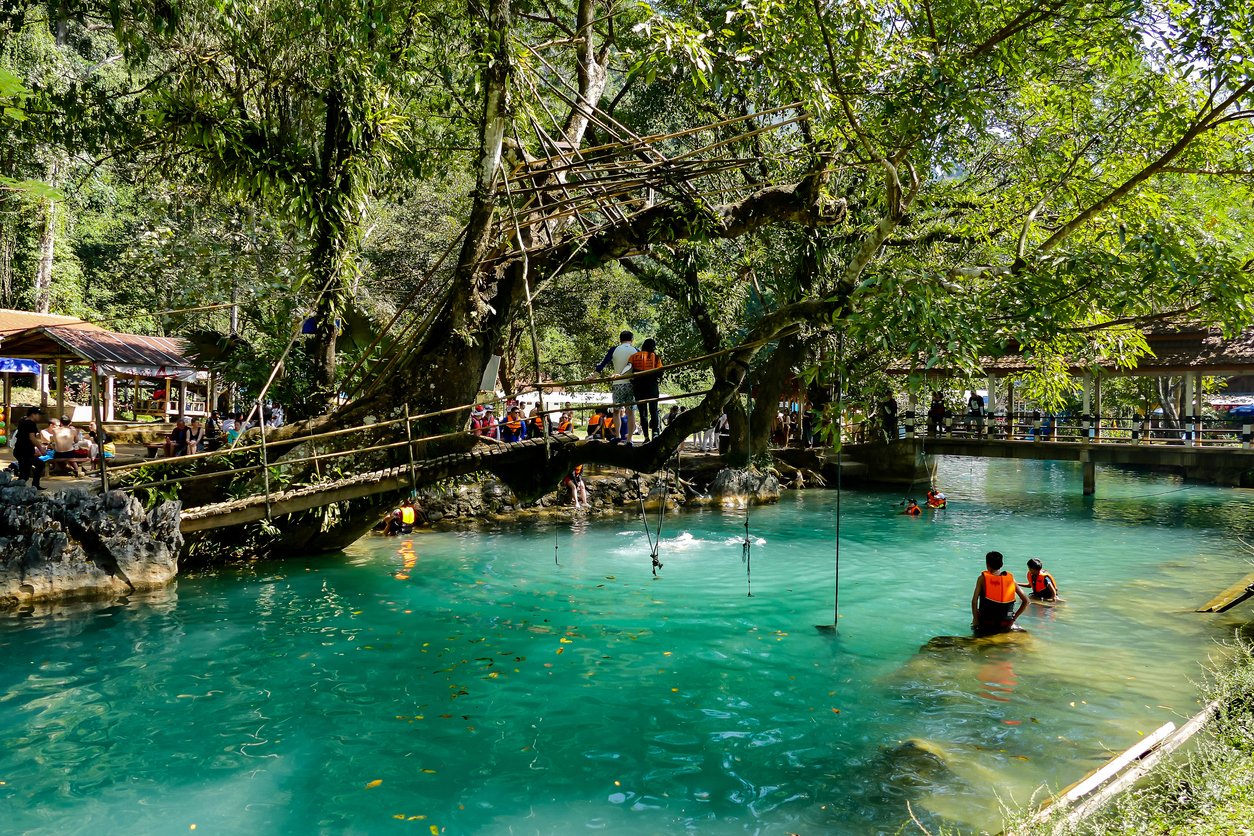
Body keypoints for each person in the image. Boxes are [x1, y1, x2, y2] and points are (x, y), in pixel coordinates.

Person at [971, 551, 1029, 635]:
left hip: (987, 623)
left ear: (987, 564)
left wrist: (976, 621)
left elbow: (974, 602)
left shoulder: (982, 579)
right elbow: (1026, 601)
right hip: (1006, 623)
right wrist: (1014, 618)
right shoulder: (1011, 580)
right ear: (1001, 564)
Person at [595, 330, 638, 440]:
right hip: (632, 384)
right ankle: (630, 439)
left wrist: (594, 376)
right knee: (631, 413)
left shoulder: (614, 350)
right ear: (632, 340)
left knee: (616, 411)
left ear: (620, 340)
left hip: (618, 383)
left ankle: (618, 436)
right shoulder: (636, 351)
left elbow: (603, 363)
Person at [627, 338, 663, 442]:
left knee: (643, 413)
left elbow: (630, 369)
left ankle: (646, 437)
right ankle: (655, 434)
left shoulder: (634, 356)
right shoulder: (656, 358)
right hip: (652, 387)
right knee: (654, 411)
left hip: (638, 387)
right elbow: (660, 372)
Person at [14, 406, 46, 489]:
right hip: (24, 452)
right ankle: (15, 489)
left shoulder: (23, 422)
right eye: (38, 414)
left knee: (34, 467)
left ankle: (35, 485)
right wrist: (41, 449)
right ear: (33, 415)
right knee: (25, 475)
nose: (40, 416)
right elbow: (32, 438)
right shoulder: (31, 423)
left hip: (20, 450)